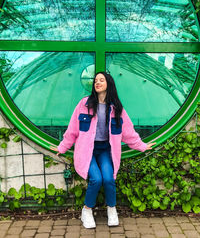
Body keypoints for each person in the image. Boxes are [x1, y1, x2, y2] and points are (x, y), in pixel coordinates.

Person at [50, 72, 155, 229]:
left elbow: (128, 132)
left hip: (105, 150)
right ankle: (86, 211)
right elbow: (73, 129)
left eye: (101, 80)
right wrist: (62, 147)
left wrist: (142, 146)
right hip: (88, 151)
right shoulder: (84, 104)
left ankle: (112, 210)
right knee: (96, 179)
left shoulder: (117, 108)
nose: (97, 83)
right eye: (95, 81)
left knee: (108, 179)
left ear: (108, 83)